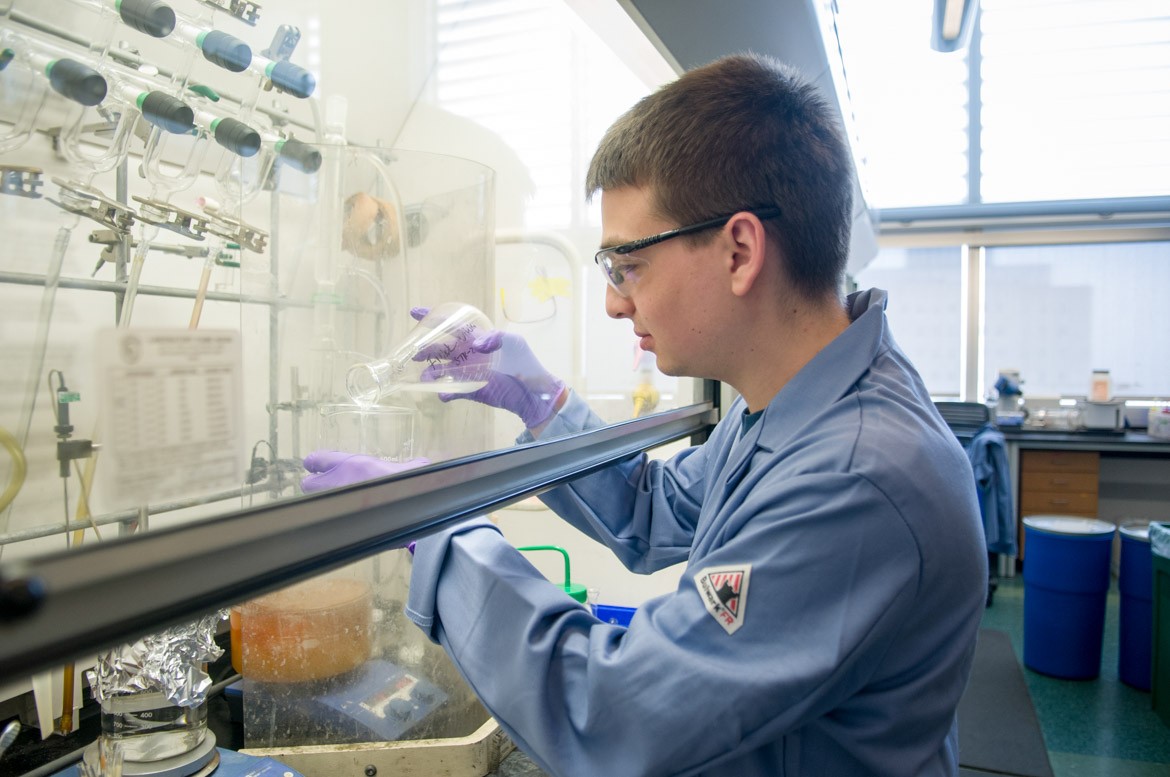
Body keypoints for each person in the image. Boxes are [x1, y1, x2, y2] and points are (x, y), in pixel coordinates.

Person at [303, 53, 987, 776]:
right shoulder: (790, 408)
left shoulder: (858, 475)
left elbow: (613, 711)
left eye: (627, 265)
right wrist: (545, 404)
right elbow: (659, 510)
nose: (614, 301)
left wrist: (439, 528)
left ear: (740, 251)